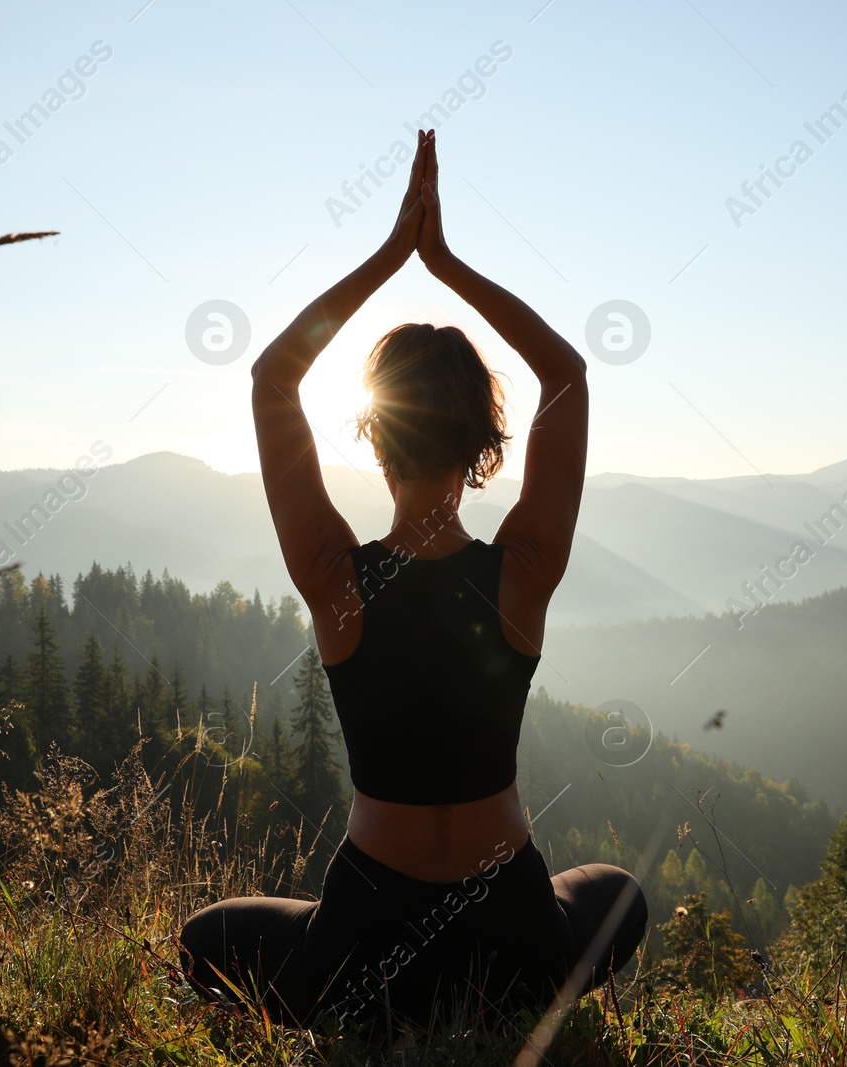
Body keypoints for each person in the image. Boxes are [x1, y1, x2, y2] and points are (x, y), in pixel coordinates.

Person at [178, 129, 648, 1030]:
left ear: (375, 436)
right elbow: (568, 375)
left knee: (206, 937)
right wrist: (447, 263)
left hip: (363, 940)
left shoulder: (333, 580)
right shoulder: (524, 576)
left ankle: (381, 998)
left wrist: (391, 257)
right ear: (483, 447)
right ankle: (502, 993)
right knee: (618, 893)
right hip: (512, 935)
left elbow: (274, 377)